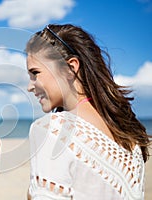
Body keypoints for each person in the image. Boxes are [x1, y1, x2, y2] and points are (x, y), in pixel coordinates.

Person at [25, 24, 151, 200]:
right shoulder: (130, 138)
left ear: (71, 68)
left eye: (35, 73)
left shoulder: (53, 130)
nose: (30, 86)